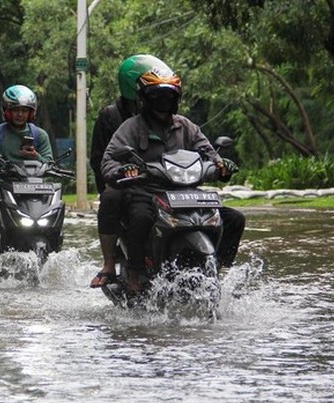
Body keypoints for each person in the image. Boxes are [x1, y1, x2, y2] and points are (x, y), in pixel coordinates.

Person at [101, 58, 246, 293]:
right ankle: (136, 273)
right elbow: (109, 160)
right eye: (157, 97)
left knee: (234, 219)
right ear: (145, 99)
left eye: (168, 97)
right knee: (139, 217)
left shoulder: (187, 126)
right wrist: (123, 170)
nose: (163, 102)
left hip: (187, 195)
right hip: (147, 193)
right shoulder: (131, 127)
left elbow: (209, 153)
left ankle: (220, 269)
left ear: (176, 99)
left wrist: (221, 166)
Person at [90, 54, 159, 288]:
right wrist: (115, 179)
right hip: (124, 182)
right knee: (111, 198)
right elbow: (99, 158)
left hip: (160, 180)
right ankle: (110, 264)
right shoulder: (112, 116)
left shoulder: (166, 117)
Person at [0, 84, 54, 228]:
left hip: (35, 188)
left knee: (53, 209)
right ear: (7, 111)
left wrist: (35, 156)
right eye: (16, 110)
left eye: (24, 110)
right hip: (5, 186)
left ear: (31, 113)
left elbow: (49, 162)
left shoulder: (40, 135)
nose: (20, 114)